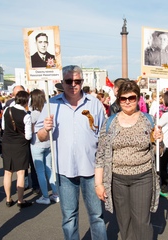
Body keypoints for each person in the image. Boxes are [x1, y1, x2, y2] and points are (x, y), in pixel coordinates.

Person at [35, 65, 107, 239]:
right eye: (69, 81)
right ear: (62, 82)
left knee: (96, 216)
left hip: (91, 169)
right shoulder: (52, 105)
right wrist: (45, 128)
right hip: (64, 170)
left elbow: (103, 136)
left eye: (77, 81)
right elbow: (41, 136)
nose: (73, 84)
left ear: (82, 82)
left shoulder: (94, 103)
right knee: (69, 217)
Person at [95, 80, 164, 240]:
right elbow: (100, 155)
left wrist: (158, 141)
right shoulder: (110, 122)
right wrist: (99, 184)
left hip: (142, 177)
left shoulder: (148, 121)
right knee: (124, 222)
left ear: (137, 98)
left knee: (141, 221)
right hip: (117, 179)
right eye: (123, 98)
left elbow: (158, 152)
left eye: (131, 98)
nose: (127, 102)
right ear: (118, 99)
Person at [2, 91, 32, 208]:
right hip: (20, 145)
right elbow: (28, 136)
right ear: (26, 101)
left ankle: (8, 199)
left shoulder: (7, 110)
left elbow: (4, 127)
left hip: (7, 143)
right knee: (20, 173)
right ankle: (20, 200)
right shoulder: (26, 116)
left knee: (7, 172)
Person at [29, 89, 59, 205]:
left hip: (36, 143)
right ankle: (55, 193)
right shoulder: (48, 111)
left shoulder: (33, 114)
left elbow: (29, 130)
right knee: (50, 169)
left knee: (40, 171)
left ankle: (45, 196)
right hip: (49, 142)